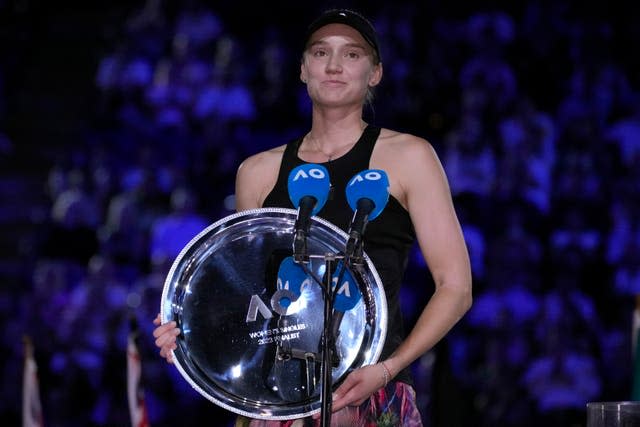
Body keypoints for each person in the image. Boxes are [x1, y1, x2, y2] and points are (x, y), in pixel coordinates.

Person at [153, 8, 472, 426]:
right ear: (303, 70)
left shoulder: (409, 157)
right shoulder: (258, 172)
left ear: (375, 73)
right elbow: (250, 297)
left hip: (369, 391)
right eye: (321, 53)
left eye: (352, 55)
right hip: (277, 398)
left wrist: (387, 370)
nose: (335, 65)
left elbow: (456, 288)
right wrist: (190, 332)